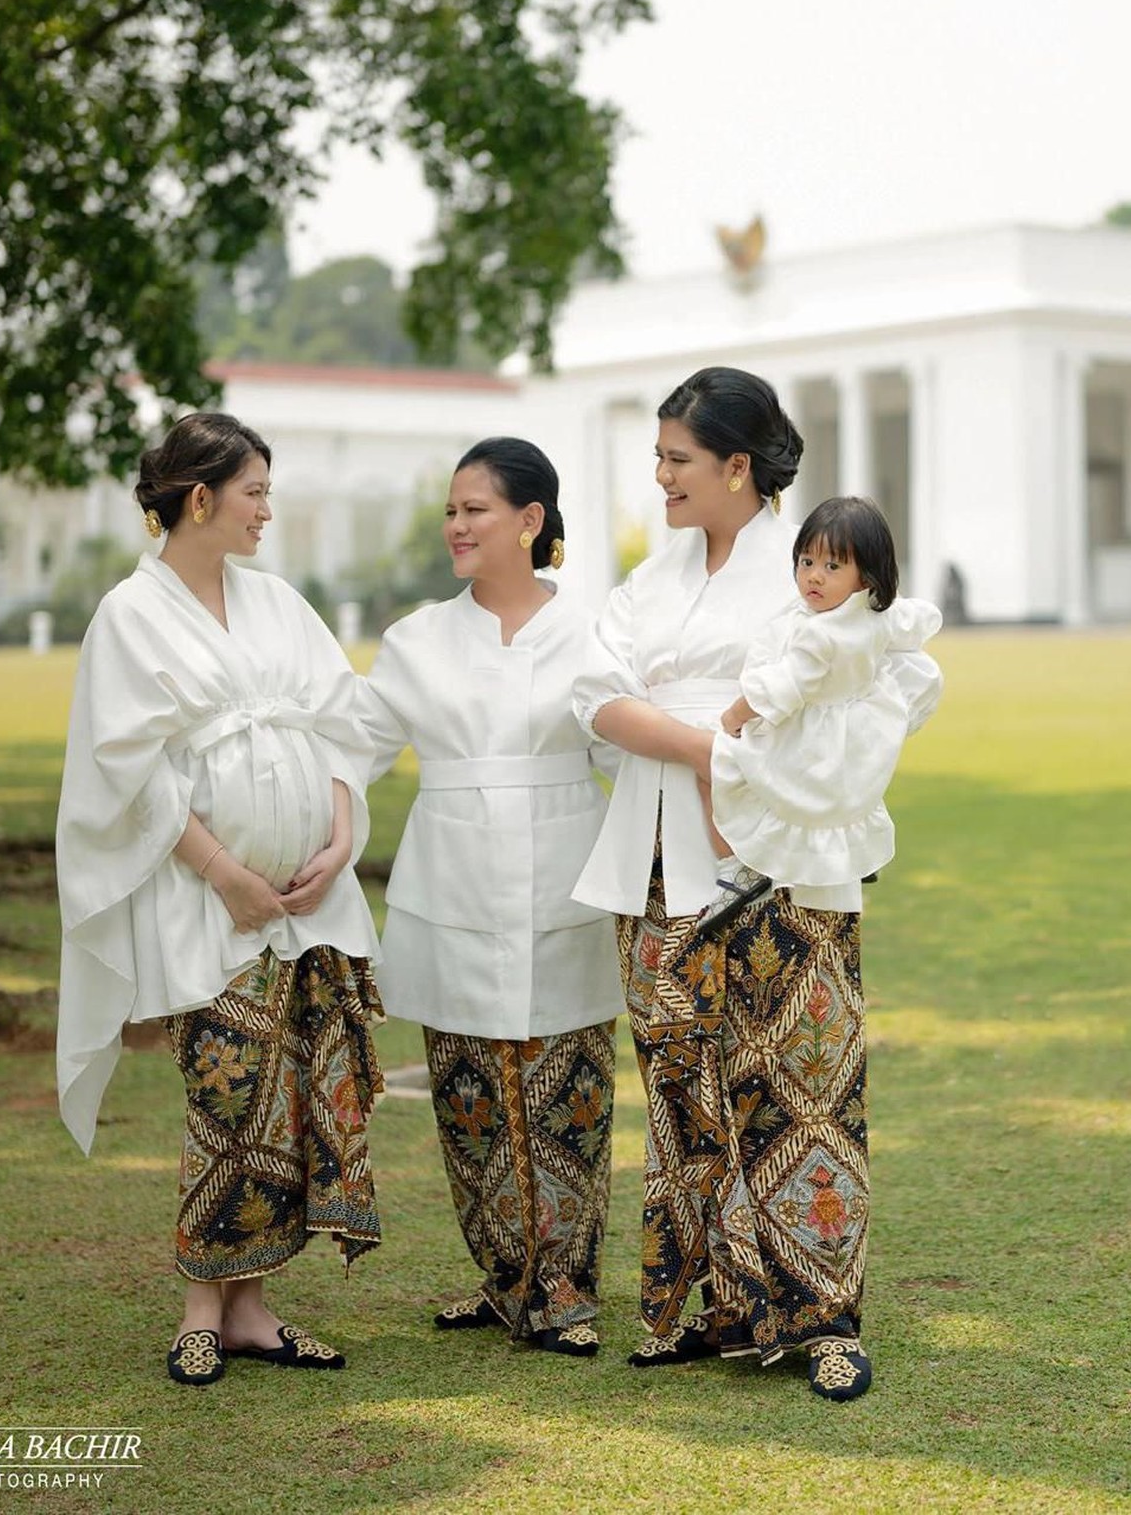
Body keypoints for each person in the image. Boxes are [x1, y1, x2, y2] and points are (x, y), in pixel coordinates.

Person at [573, 368, 942, 1400]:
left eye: (676, 459)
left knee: (803, 1082)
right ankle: (725, 1303)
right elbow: (595, 692)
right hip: (655, 859)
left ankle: (825, 1316)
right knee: (686, 1083)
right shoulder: (652, 578)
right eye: (656, 458)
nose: (659, 477)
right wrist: (706, 746)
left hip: (783, 865)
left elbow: (888, 690)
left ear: (739, 465)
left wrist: (747, 765)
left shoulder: (814, 574)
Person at [56, 412, 383, 1388]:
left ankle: (253, 1307)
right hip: (210, 902)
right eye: (254, 493)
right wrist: (225, 872)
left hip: (304, 905)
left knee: (291, 1095)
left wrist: (335, 843)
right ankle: (203, 1305)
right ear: (199, 497)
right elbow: (130, 766)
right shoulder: (131, 613)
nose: (265, 512)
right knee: (226, 1095)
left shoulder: (277, 600)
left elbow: (342, 719)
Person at [357, 437, 623, 1358]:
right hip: (452, 884)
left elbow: (627, 759)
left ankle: (564, 1285)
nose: (457, 525)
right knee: (469, 1093)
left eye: (475, 508)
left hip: (565, 879)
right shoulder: (416, 638)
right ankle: (506, 1276)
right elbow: (349, 752)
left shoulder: (594, 634)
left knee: (568, 1089)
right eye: (450, 510)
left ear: (530, 520)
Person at [698, 495, 943, 935]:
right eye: (806, 561)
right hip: (859, 735)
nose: (813, 576)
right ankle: (852, 859)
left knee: (729, 767)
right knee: (846, 805)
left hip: (814, 737)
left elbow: (785, 685)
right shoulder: (877, 613)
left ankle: (740, 868)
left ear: (865, 575)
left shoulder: (822, 635)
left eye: (832, 567)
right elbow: (914, 620)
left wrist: (736, 715)